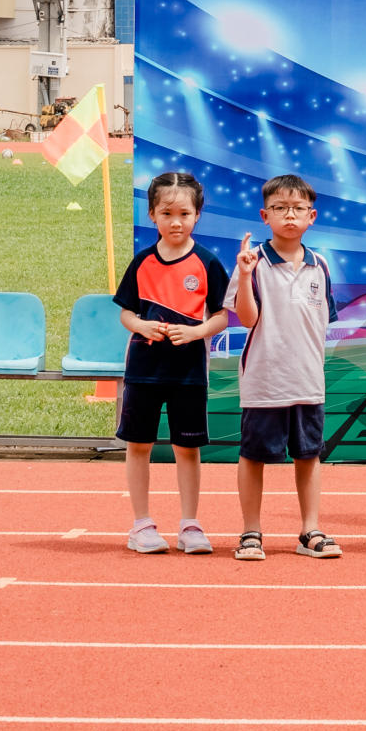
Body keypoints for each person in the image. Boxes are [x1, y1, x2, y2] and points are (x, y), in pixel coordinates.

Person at [225, 174, 341, 561]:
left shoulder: (320, 265)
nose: (289, 215)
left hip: (307, 381)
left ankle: (310, 530)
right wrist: (244, 275)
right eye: (279, 208)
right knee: (253, 455)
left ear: (312, 216)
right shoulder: (252, 262)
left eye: (297, 208)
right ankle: (250, 532)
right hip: (264, 380)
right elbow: (246, 319)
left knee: (309, 455)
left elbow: (323, 321)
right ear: (265, 215)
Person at [114, 170, 231, 555]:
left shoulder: (208, 263)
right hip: (143, 371)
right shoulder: (142, 262)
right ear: (152, 214)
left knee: (187, 448)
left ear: (197, 214)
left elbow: (221, 317)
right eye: (166, 213)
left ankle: (190, 525)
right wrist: (141, 325)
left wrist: (196, 333)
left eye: (184, 213)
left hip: (189, 374)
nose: (175, 222)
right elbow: (126, 313)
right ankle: (141, 525)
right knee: (139, 445)